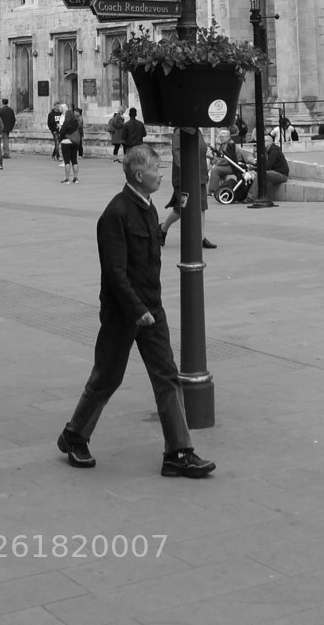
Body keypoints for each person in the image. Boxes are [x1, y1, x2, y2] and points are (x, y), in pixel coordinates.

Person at [57, 144, 215, 478]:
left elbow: (150, 249)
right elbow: (115, 273)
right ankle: (74, 435)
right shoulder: (115, 214)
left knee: (166, 376)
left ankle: (178, 452)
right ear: (139, 175)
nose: (161, 174)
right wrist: (136, 310)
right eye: (157, 169)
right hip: (123, 313)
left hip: (151, 309)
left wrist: (150, 308)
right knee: (107, 377)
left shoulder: (147, 206)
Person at [160, 127, 214, 248]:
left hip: (200, 175)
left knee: (201, 205)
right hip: (185, 178)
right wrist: (188, 170)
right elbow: (177, 153)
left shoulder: (197, 130)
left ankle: (201, 237)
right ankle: (163, 228)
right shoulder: (180, 131)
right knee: (183, 208)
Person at [260, 134, 290, 200]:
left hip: (282, 174)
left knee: (262, 174)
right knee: (257, 173)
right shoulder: (268, 151)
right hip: (276, 172)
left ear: (269, 142)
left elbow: (268, 166)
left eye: (264, 141)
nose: (261, 143)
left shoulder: (274, 151)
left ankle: (251, 196)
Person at [59, 105, 83, 183]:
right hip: (75, 143)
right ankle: (76, 178)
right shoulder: (76, 123)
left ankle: (67, 179)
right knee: (74, 160)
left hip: (66, 143)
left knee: (67, 161)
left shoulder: (66, 123)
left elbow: (61, 132)